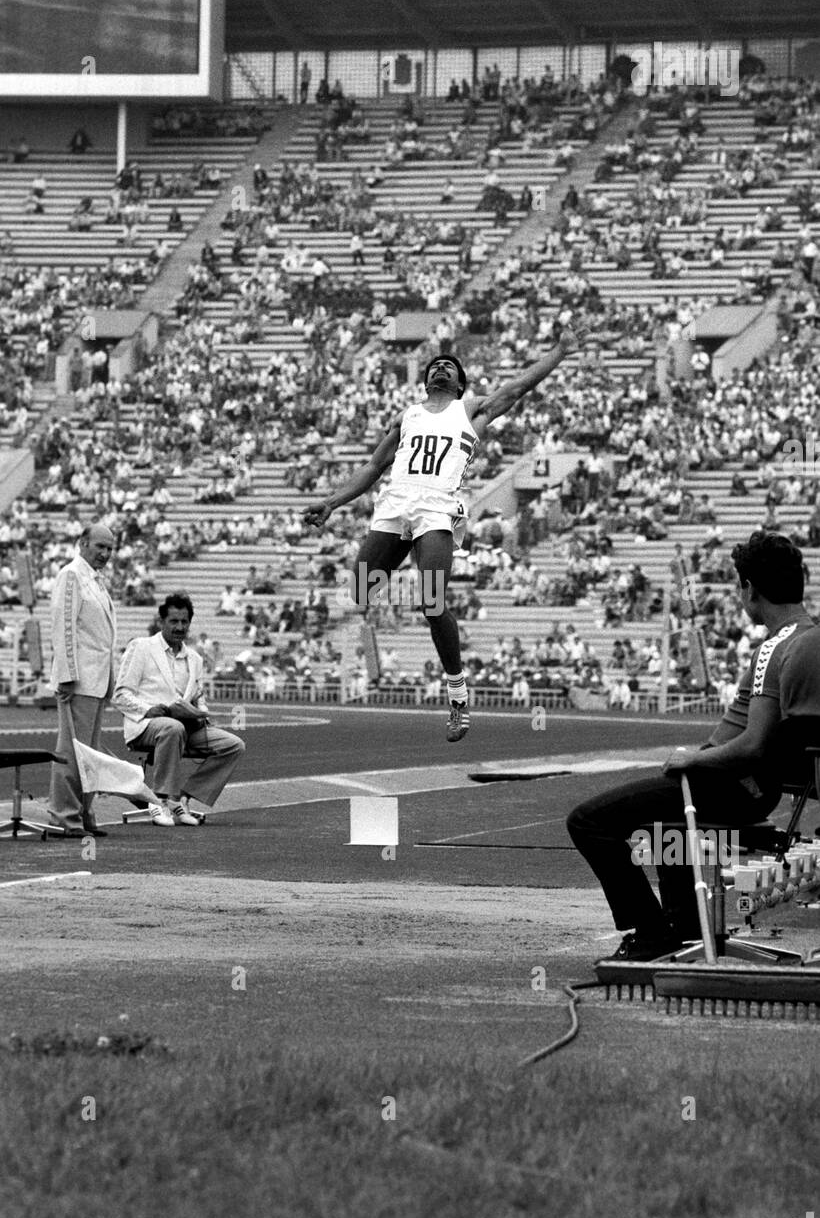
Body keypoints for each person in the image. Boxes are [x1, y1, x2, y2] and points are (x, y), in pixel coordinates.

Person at [303, 328, 584, 741]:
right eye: (435, 365)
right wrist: (331, 502)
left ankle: (457, 695)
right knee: (361, 589)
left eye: (448, 367)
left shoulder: (470, 412)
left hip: (436, 509)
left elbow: (519, 386)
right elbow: (370, 469)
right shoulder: (408, 416)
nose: (440, 368)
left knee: (432, 603)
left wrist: (559, 352)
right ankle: (399, 572)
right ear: (426, 379)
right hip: (395, 505)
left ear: (459, 383)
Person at [566, 532, 815, 962]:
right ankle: (683, 929)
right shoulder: (808, 637)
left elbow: (752, 746)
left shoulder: (775, 648)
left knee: (588, 822)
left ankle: (652, 934)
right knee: (669, 828)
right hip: (755, 791)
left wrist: (694, 758)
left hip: (727, 786)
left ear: (751, 589)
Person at [112, 592, 245, 827]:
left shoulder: (194, 659)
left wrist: (200, 714)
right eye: (174, 621)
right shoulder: (141, 647)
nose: (179, 627)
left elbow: (199, 697)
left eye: (184, 622)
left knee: (233, 745)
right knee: (172, 727)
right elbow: (120, 695)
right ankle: (161, 800)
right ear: (161, 622)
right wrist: (150, 709)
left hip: (185, 727)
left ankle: (182, 798)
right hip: (146, 726)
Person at [48, 523, 119, 837]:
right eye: (99, 546)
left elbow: (104, 639)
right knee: (72, 752)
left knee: (91, 755)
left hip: (97, 680)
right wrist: (66, 675)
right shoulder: (72, 575)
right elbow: (63, 627)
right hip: (78, 680)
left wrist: (110, 680)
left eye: (109, 549)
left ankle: (84, 814)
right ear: (82, 544)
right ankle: (65, 815)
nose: (104, 554)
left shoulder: (97, 582)